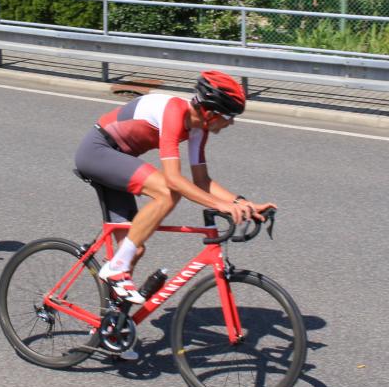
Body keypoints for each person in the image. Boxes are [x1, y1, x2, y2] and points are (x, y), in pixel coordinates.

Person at [74, 70, 274, 303]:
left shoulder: (199, 129)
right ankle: (116, 269)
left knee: (134, 249)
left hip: (119, 160)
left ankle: (111, 317)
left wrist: (240, 203)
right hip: (97, 152)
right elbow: (173, 179)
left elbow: (202, 181)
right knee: (168, 193)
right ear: (210, 113)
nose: (231, 122)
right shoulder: (174, 112)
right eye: (229, 116)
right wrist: (222, 206)